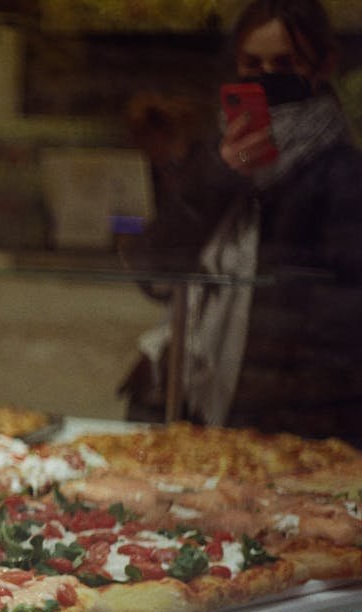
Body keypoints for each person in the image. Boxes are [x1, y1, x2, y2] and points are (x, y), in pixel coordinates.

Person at [123, 0, 362, 443]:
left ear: (324, 66)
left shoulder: (342, 173)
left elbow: (341, 318)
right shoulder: (217, 155)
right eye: (252, 63)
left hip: (291, 422)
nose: (267, 77)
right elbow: (153, 270)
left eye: (285, 64)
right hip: (198, 407)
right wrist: (220, 175)